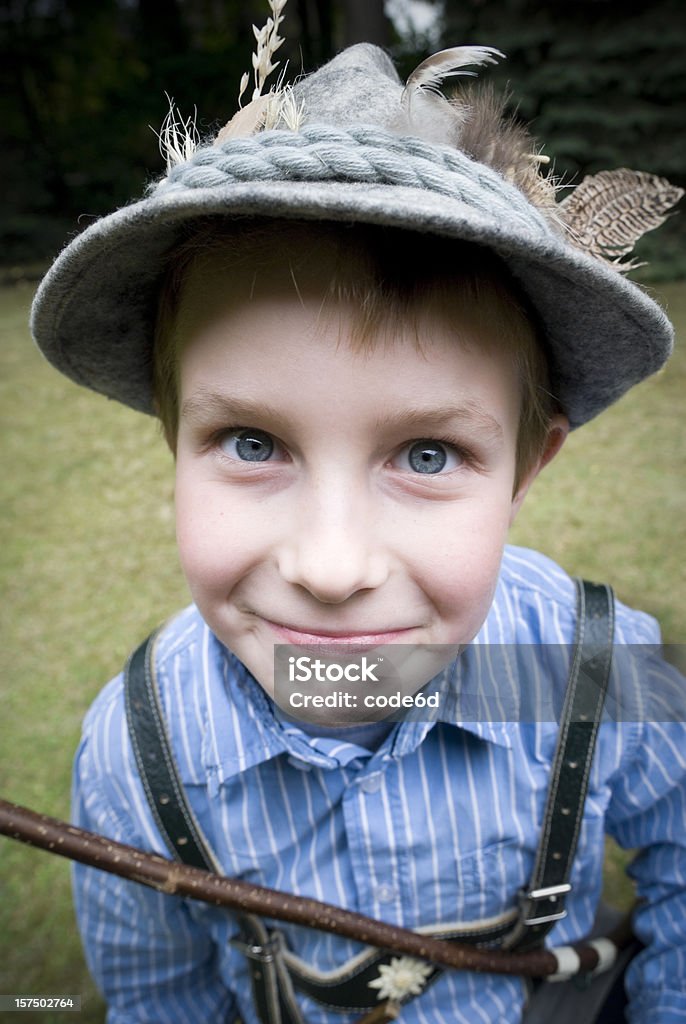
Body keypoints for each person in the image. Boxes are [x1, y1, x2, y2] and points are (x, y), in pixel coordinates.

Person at [29, 16, 685, 1024]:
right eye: (252, 442)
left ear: (524, 467)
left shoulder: (575, 664)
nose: (330, 569)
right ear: (173, 441)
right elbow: (160, 1001)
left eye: (426, 455)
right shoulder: (143, 746)